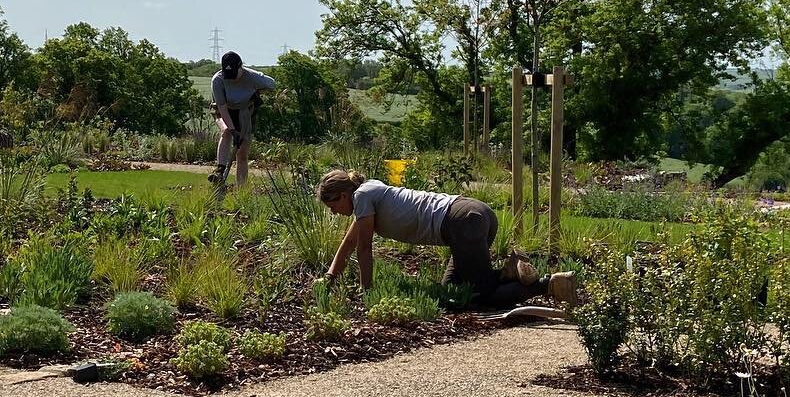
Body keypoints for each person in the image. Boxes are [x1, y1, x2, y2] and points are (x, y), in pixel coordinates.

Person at [316, 168, 567, 311]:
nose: (333, 212)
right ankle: (508, 272)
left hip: (463, 223)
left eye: (332, 205)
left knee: (480, 297)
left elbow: (363, 248)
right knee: (452, 293)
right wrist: (329, 278)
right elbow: (349, 244)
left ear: (344, 194)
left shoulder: (361, 196)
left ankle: (549, 284)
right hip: (473, 214)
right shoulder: (368, 191)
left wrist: (367, 293)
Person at [209, 51, 275, 189]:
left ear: (241, 68)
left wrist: (258, 92)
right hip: (224, 110)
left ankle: (241, 190)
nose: (231, 79)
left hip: (245, 113)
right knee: (226, 131)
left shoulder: (253, 77)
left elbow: (272, 85)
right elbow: (221, 107)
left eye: (234, 74)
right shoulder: (218, 80)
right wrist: (233, 131)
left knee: (242, 153)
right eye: (229, 75)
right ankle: (219, 171)